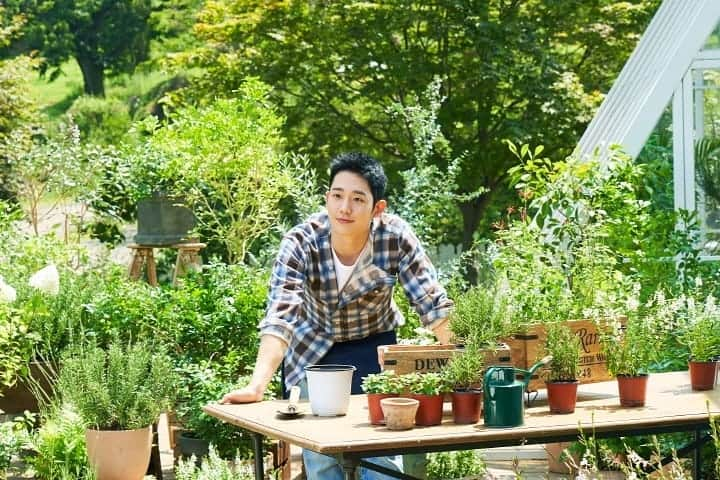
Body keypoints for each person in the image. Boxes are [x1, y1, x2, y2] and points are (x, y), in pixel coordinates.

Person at [221, 152, 453, 479]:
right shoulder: (301, 241)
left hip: (374, 344)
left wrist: (469, 370)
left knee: (383, 455)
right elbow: (280, 315)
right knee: (323, 455)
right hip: (312, 349)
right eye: (337, 196)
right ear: (327, 198)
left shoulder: (396, 237)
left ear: (377, 208)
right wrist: (257, 384)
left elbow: (433, 305)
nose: (345, 208)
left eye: (358, 199)